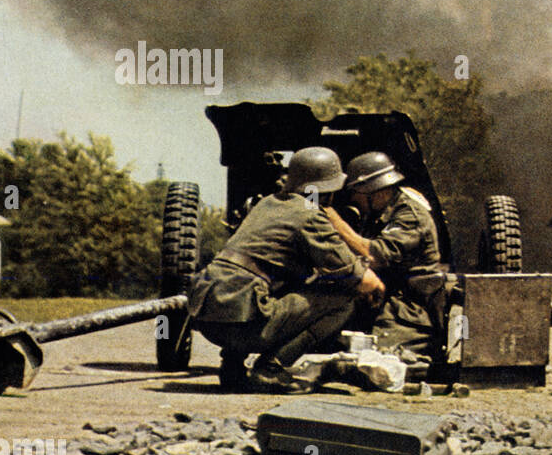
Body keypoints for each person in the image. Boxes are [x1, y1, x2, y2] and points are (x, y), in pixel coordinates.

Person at [187, 146, 385, 392]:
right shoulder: (310, 216)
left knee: (269, 284)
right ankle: (272, 369)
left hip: (209, 319)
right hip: (242, 325)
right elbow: (361, 280)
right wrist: (374, 282)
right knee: (344, 298)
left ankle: (233, 368)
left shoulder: (267, 204)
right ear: (330, 190)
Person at [324, 150, 451, 363]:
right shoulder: (378, 213)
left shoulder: (409, 213)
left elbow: (375, 255)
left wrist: (335, 223)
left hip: (411, 307)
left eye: (357, 193)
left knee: (379, 358)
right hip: (382, 296)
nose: (354, 200)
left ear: (375, 191)